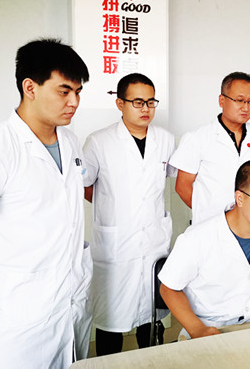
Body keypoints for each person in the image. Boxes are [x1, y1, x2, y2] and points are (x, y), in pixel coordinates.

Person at [0, 39, 93, 368]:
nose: (74, 102)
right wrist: (3, 263)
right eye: (64, 91)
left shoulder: (70, 142)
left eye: (78, 92)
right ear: (30, 87)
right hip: (21, 311)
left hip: (70, 300)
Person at [83, 73, 176, 355]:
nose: (145, 108)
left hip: (153, 240)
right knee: (111, 319)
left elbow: (170, 178)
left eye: (150, 101)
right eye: (137, 102)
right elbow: (85, 186)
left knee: (152, 316)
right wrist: (115, 207)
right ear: (120, 103)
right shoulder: (98, 141)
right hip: (116, 244)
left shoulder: (165, 139)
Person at [158, 159, 250, 339]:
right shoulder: (198, 238)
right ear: (240, 198)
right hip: (210, 329)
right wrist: (197, 329)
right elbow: (168, 288)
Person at [170, 72, 250, 224]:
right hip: (210, 224)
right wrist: (205, 213)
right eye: (239, 100)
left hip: (249, 224)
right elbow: (182, 187)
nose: (246, 107)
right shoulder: (197, 138)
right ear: (222, 100)